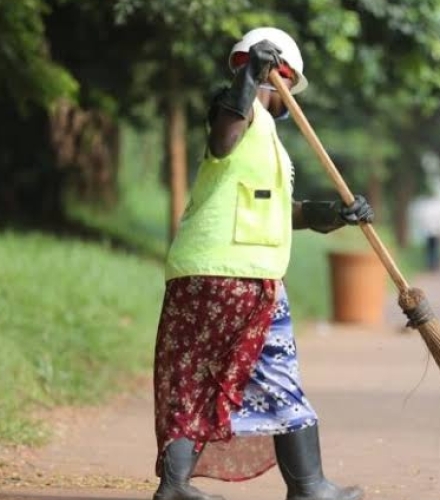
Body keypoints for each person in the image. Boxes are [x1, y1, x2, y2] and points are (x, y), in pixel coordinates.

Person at [152, 27, 379, 500]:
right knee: (271, 374)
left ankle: (176, 485)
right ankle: (310, 486)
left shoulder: (267, 134)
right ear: (283, 75)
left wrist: (335, 214)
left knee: (197, 376)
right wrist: (251, 77)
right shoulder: (234, 107)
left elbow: (283, 209)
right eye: (287, 86)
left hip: (223, 275)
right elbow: (221, 141)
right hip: (237, 278)